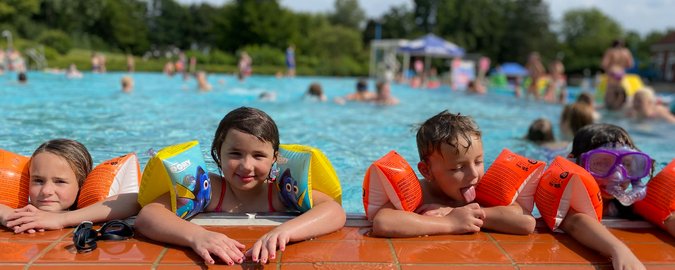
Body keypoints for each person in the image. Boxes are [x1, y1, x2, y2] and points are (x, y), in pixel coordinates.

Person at [134, 107, 346, 265]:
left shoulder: (282, 192)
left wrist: (285, 231)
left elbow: (334, 211)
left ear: (275, 158)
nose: (246, 166)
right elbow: (148, 215)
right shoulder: (211, 190)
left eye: (259, 155)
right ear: (218, 153)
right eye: (235, 154)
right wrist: (196, 236)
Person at [371, 111, 536, 237]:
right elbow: (383, 222)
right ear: (427, 171)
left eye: (478, 162)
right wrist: (449, 223)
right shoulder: (420, 194)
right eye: (458, 168)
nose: (473, 174)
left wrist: (459, 214)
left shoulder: (481, 188)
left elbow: (526, 222)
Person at [562, 123, 664, 269]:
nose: (616, 175)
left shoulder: (632, 204)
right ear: (574, 163)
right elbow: (573, 221)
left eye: (627, 164)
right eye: (601, 163)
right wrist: (619, 250)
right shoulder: (569, 197)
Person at [0, 139, 140, 233]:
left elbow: (135, 200)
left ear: (81, 184)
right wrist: (8, 214)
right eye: (38, 180)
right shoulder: (25, 211)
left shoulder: (89, 209)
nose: (46, 191)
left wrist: (61, 219)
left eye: (60, 181)